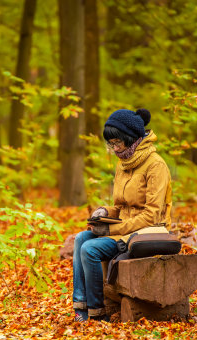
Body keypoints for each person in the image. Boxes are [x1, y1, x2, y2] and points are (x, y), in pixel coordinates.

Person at [72, 108, 172, 322]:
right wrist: (103, 213)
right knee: (81, 238)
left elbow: (152, 216)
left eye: (117, 142)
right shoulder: (123, 164)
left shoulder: (156, 165)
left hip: (147, 232)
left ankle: (97, 314)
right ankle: (81, 309)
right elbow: (120, 206)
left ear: (131, 138)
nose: (114, 148)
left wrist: (111, 229)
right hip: (124, 229)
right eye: (111, 144)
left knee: (90, 249)